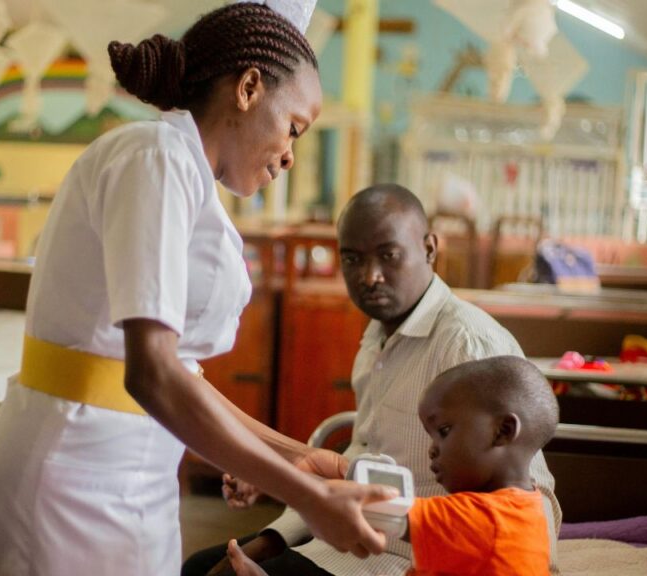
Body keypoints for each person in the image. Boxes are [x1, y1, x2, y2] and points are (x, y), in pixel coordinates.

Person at [0, 4, 395, 576]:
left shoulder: (188, 179)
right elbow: (153, 373)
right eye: (293, 128)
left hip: (131, 473)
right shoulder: (154, 158)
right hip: (70, 475)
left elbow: (181, 373)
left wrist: (296, 457)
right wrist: (307, 497)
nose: (291, 154)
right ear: (248, 88)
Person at [183, 184, 561, 575]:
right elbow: (360, 459)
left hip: (402, 558)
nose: (370, 276)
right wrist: (272, 538)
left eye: (388, 255)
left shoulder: (468, 345)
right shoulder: (376, 339)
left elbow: (530, 494)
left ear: (430, 249)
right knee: (202, 567)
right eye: (352, 259)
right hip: (346, 541)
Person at [225, 355, 559, 576]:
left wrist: (272, 476)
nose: (432, 451)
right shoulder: (519, 509)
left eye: (443, 432)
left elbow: (375, 508)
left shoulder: (485, 520)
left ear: (503, 431)